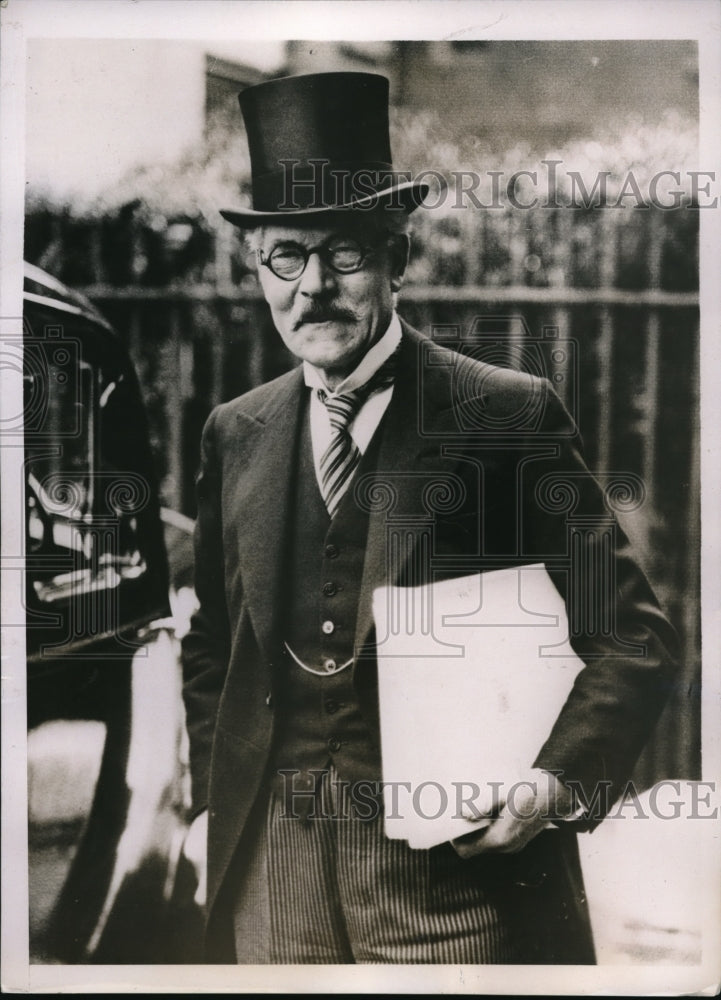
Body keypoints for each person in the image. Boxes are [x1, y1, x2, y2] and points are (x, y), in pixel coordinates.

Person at [181, 71, 679, 964]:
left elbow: (631, 635)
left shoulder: (503, 414)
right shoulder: (235, 433)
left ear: (395, 258)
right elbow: (213, 644)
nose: (312, 288)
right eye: (285, 257)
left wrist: (544, 787)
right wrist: (213, 803)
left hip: (451, 879)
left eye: (344, 254)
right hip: (271, 875)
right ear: (258, 270)